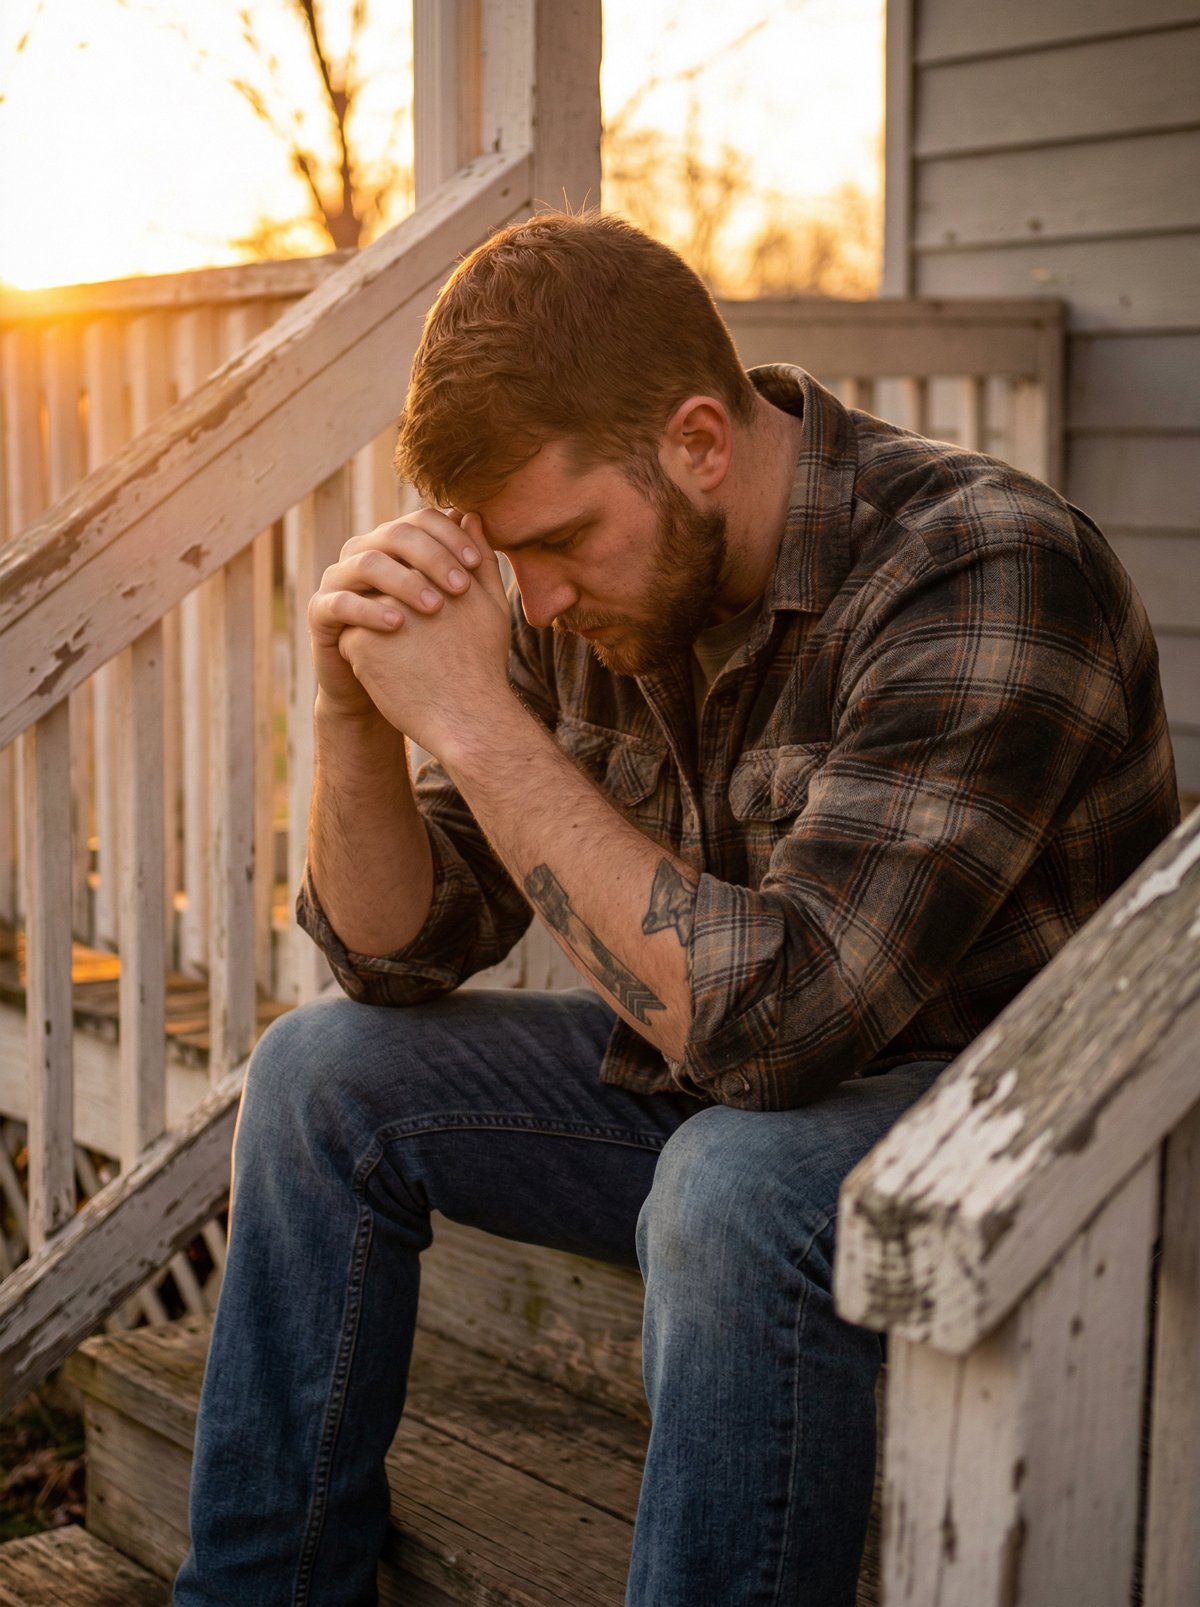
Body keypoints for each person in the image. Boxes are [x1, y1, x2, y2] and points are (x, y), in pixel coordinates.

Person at [173, 212, 1179, 1607]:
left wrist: (478, 725)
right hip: (730, 1088)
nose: (535, 597)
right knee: (318, 1072)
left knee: (730, 1185)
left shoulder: (983, 568)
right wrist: (354, 711)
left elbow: (785, 1031)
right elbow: (391, 954)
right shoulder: (610, 590)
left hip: (1007, 1132)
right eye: (509, 556)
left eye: (562, 540)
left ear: (700, 442)